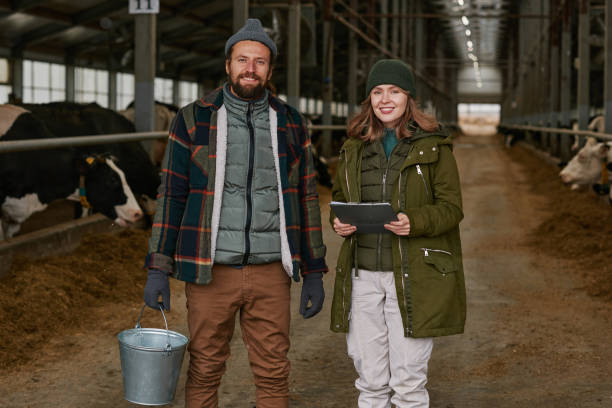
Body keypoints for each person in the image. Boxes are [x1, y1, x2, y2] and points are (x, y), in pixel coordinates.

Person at [143, 18, 327, 408]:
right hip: (211, 271)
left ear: (270, 70)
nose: (250, 69)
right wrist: (158, 268)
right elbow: (172, 194)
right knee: (205, 367)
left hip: (270, 271)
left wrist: (313, 271)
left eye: (259, 62)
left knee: (274, 371)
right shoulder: (193, 118)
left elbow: (306, 198)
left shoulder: (291, 123)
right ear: (227, 65)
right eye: (242, 59)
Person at [329, 59, 466, 407]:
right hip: (363, 276)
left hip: (413, 274)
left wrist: (414, 222)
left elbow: (452, 209)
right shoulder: (354, 147)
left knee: (408, 380)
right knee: (370, 379)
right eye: (377, 91)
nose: (385, 99)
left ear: (409, 98)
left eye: (394, 91)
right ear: (369, 99)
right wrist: (340, 222)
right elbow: (342, 198)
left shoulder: (434, 146)